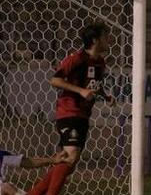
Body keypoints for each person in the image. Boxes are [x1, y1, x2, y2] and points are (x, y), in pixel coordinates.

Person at [28, 22, 114, 195]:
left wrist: (105, 96)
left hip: (83, 115)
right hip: (69, 111)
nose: (108, 40)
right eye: (105, 36)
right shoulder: (76, 58)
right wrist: (80, 91)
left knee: (69, 163)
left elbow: (92, 85)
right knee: (70, 156)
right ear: (95, 40)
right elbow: (55, 80)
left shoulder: (100, 62)